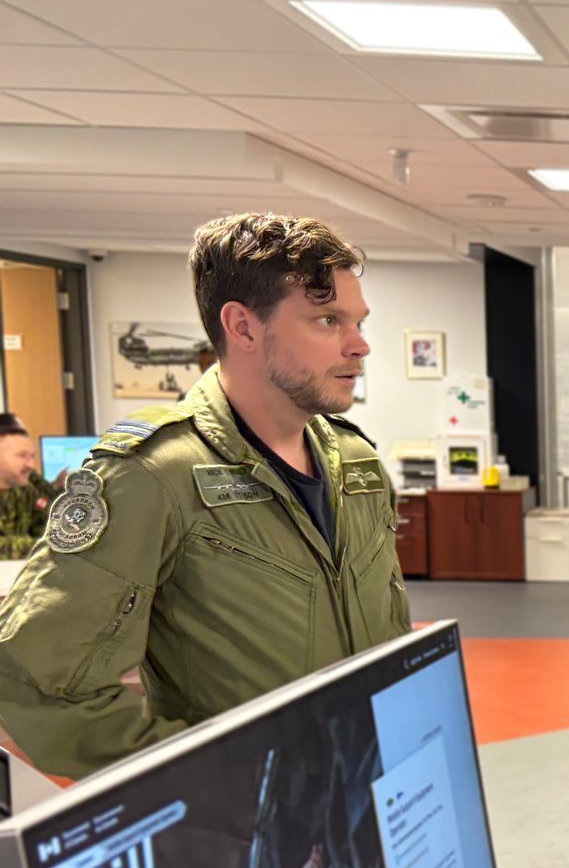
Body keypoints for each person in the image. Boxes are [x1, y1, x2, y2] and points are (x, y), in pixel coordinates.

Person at [0, 213, 410, 779]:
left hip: (365, 788)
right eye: (326, 319)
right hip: (243, 827)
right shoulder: (154, 475)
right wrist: (207, 776)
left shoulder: (356, 464)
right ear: (242, 327)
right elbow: (33, 683)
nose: (360, 345)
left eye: (358, 321)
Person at [0, 412, 59, 558]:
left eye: (31, 456)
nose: (31, 465)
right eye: (21, 455)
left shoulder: (25, 490)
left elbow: (45, 523)